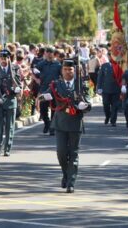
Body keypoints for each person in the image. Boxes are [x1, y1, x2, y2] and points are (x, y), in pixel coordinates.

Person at [41, 59, 91, 193]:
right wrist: (44, 97)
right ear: (62, 71)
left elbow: (88, 102)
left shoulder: (81, 85)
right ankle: (65, 173)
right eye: (65, 69)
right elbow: (45, 95)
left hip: (75, 123)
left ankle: (71, 182)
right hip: (60, 123)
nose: (68, 72)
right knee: (61, 153)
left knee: (73, 153)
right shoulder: (56, 85)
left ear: (74, 71)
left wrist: (84, 105)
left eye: (70, 70)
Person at [0, 49, 21, 156]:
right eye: (1, 58)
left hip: (11, 101)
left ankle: (7, 148)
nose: (3, 60)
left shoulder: (14, 68)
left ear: (9, 58)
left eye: (5, 58)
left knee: (9, 127)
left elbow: (19, 84)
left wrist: (17, 89)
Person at [34, 47, 61, 135]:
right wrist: (36, 79)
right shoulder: (41, 64)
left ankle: (52, 127)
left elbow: (62, 76)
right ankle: (47, 123)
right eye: (47, 52)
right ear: (45, 53)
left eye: (51, 52)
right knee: (43, 109)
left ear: (53, 54)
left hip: (54, 90)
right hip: (44, 89)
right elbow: (33, 71)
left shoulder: (58, 64)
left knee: (54, 108)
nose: (49, 54)